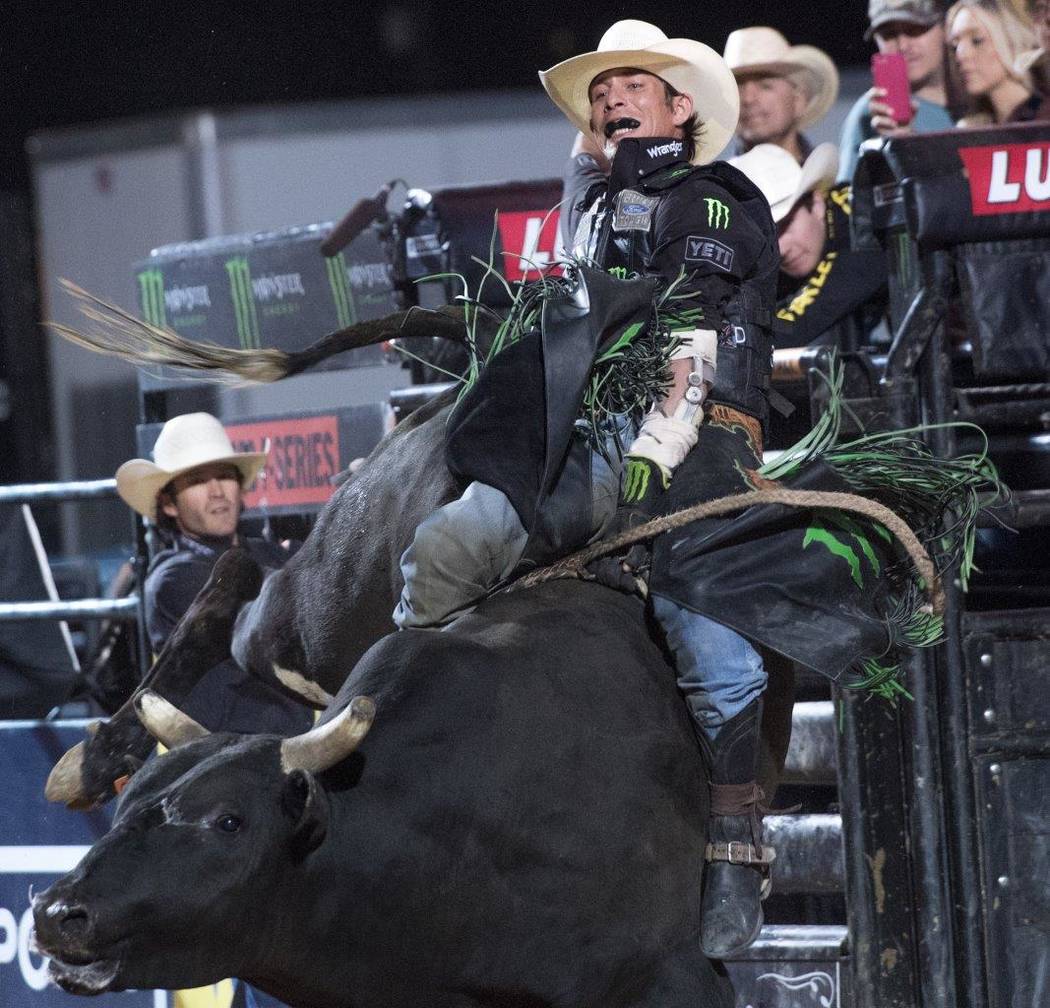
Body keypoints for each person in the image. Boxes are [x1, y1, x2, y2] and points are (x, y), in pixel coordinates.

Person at [396, 18, 780, 956]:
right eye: (599, 94)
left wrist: (659, 447)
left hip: (702, 437)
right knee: (449, 544)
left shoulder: (709, 202)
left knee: (715, 647)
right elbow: (584, 191)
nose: (611, 101)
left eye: (632, 86)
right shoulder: (598, 205)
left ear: (681, 108)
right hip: (588, 435)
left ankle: (735, 843)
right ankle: (405, 726)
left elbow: (689, 339)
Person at [116, 412, 312, 737]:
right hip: (226, 754)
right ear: (169, 504)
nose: (217, 491)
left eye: (224, 475)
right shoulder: (172, 580)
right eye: (197, 481)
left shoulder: (268, 555)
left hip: (294, 740)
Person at [729, 142, 889, 350]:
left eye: (785, 225)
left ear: (817, 204)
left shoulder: (862, 226)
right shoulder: (810, 237)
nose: (781, 249)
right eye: (764, 237)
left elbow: (791, 329)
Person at [838, 0, 956, 183]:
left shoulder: (980, 98)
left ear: (945, 27)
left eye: (915, 29)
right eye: (888, 34)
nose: (903, 45)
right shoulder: (873, 113)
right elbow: (848, 193)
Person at [722, 26, 839, 163]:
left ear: (799, 100)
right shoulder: (714, 178)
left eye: (765, 86)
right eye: (737, 88)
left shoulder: (834, 175)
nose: (748, 99)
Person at [948, 0, 1041, 123]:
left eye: (976, 41)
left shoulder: (1044, 118)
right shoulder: (972, 128)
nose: (960, 55)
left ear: (1011, 41)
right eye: (955, 46)